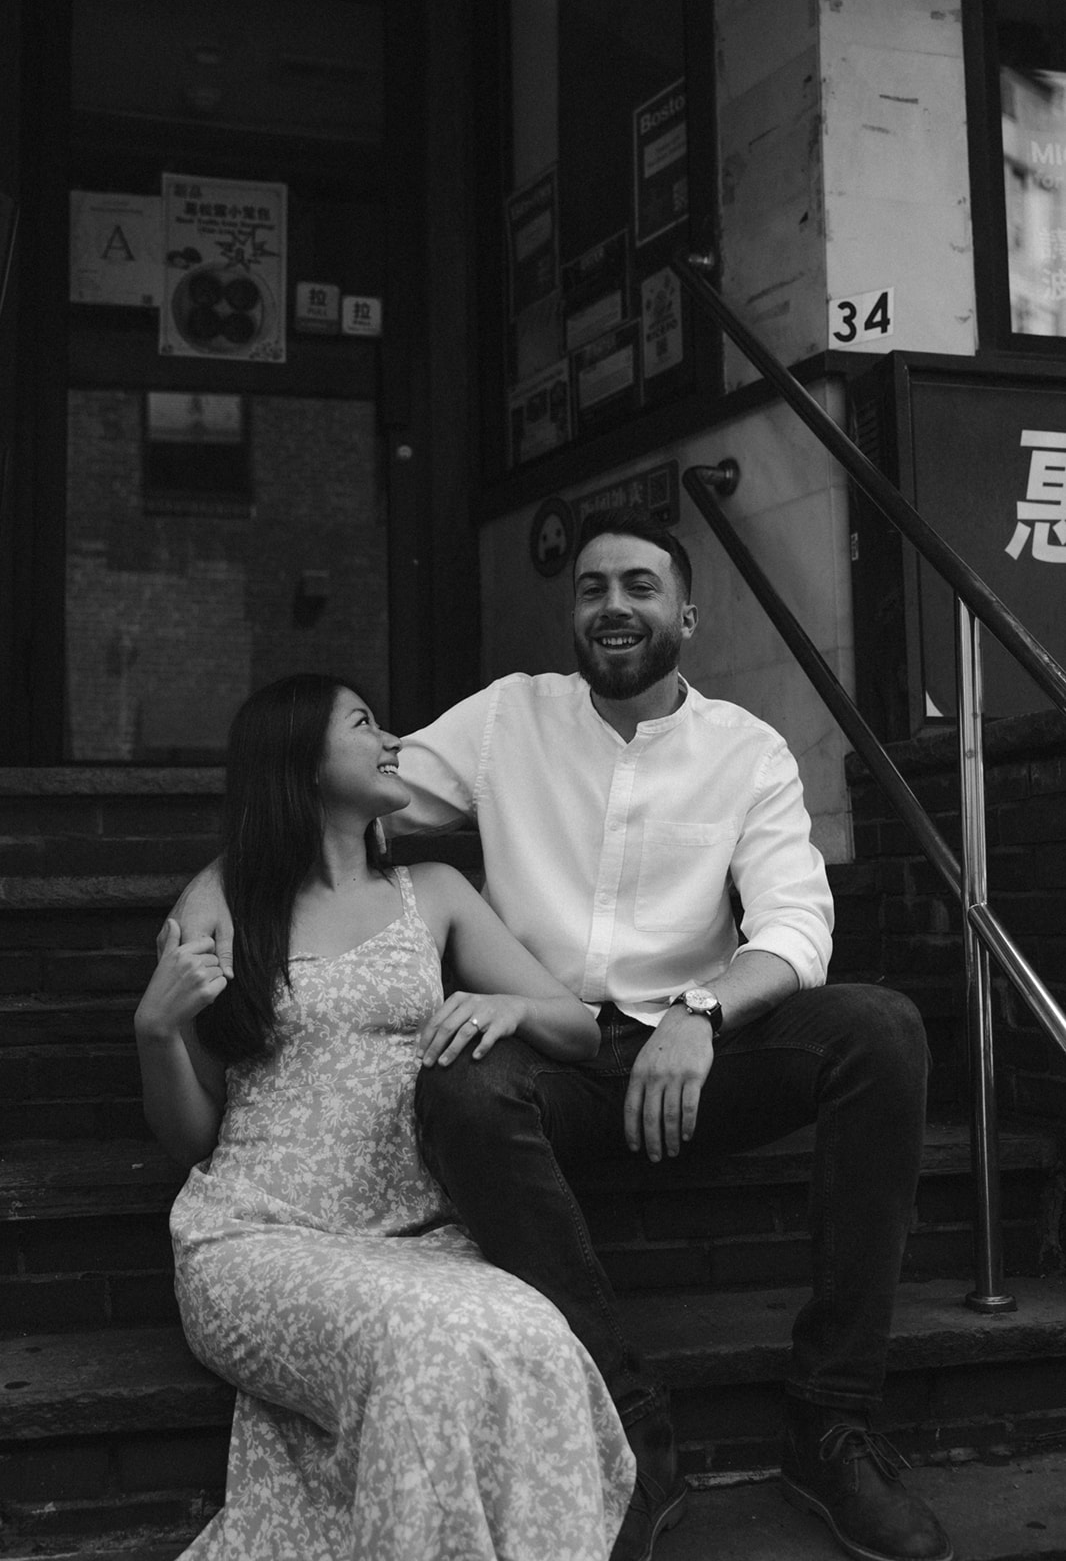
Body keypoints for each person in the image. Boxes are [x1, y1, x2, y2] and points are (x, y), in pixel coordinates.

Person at [172, 512, 954, 1561]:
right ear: (572, 613)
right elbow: (344, 795)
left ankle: (834, 1418)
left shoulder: (744, 749)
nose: (613, 607)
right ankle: (630, 1426)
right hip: (550, 1057)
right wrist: (214, 883)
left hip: (699, 1054)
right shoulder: (507, 720)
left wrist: (702, 1013)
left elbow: (796, 929)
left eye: (638, 585)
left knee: (880, 1029)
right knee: (457, 1089)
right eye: (591, 589)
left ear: (686, 610)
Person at [136, 672, 635, 1561]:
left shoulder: (434, 891)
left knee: (534, 1336)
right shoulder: (226, 905)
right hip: (257, 1238)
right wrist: (156, 1031)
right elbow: (190, 1138)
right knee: (423, 1348)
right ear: (301, 763)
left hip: (420, 1238)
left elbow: (580, 1029)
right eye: (365, 723)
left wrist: (509, 1009)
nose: (394, 738)